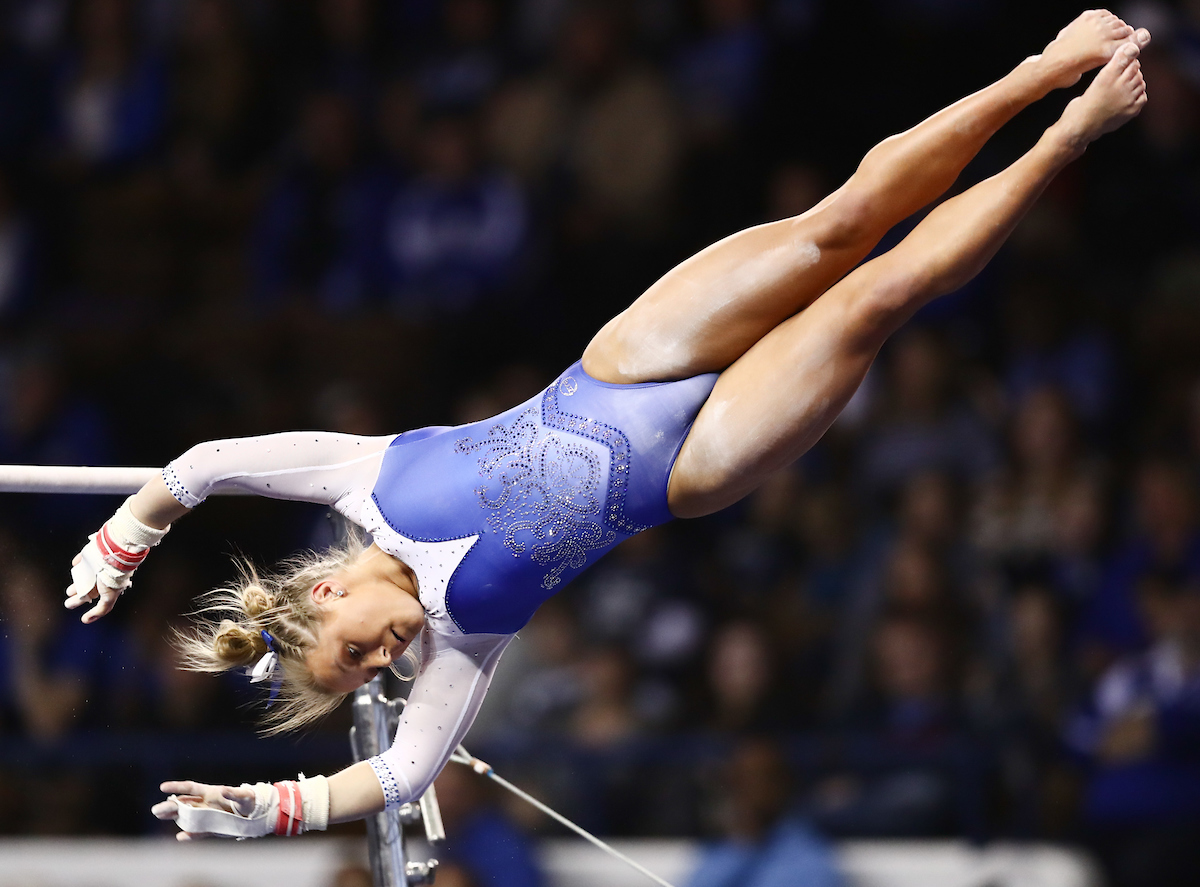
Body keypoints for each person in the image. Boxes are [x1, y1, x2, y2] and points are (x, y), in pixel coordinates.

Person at [63, 11, 1149, 840]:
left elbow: (209, 464)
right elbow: (395, 775)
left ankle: (1041, 68)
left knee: (842, 225)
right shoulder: (465, 639)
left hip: (625, 364)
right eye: (375, 671)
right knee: (877, 297)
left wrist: (125, 537)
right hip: (691, 463)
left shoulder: (366, 478)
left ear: (325, 592)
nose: (389, 658)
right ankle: (1071, 134)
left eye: (360, 650)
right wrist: (266, 810)